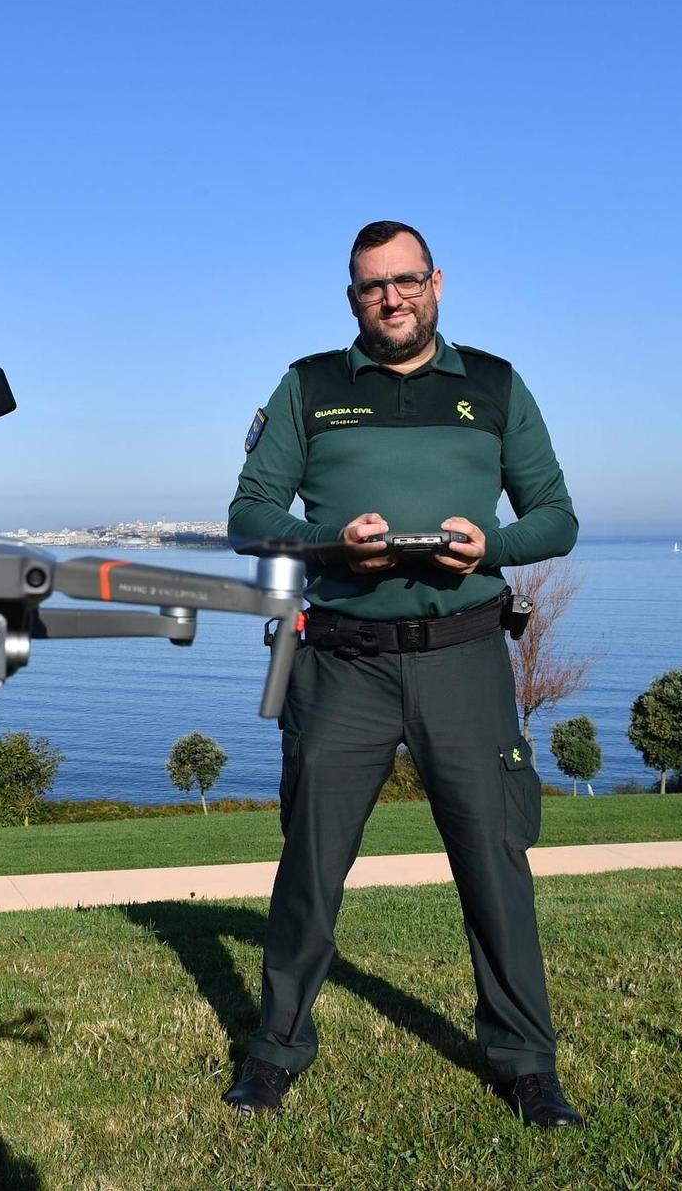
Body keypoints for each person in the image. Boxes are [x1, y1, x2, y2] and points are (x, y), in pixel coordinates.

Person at [223, 220, 584, 1128]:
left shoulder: (494, 384)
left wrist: (489, 547)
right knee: (310, 866)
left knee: (495, 864)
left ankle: (527, 1065)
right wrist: (330, 544)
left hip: (464, 657)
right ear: (353, 297)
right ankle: (273, 1053)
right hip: (340, 662)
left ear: (437, 282)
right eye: (372, 286)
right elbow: (249, 516)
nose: (392, 298)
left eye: (407, 280)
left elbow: (556, 518)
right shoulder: (309, 384)